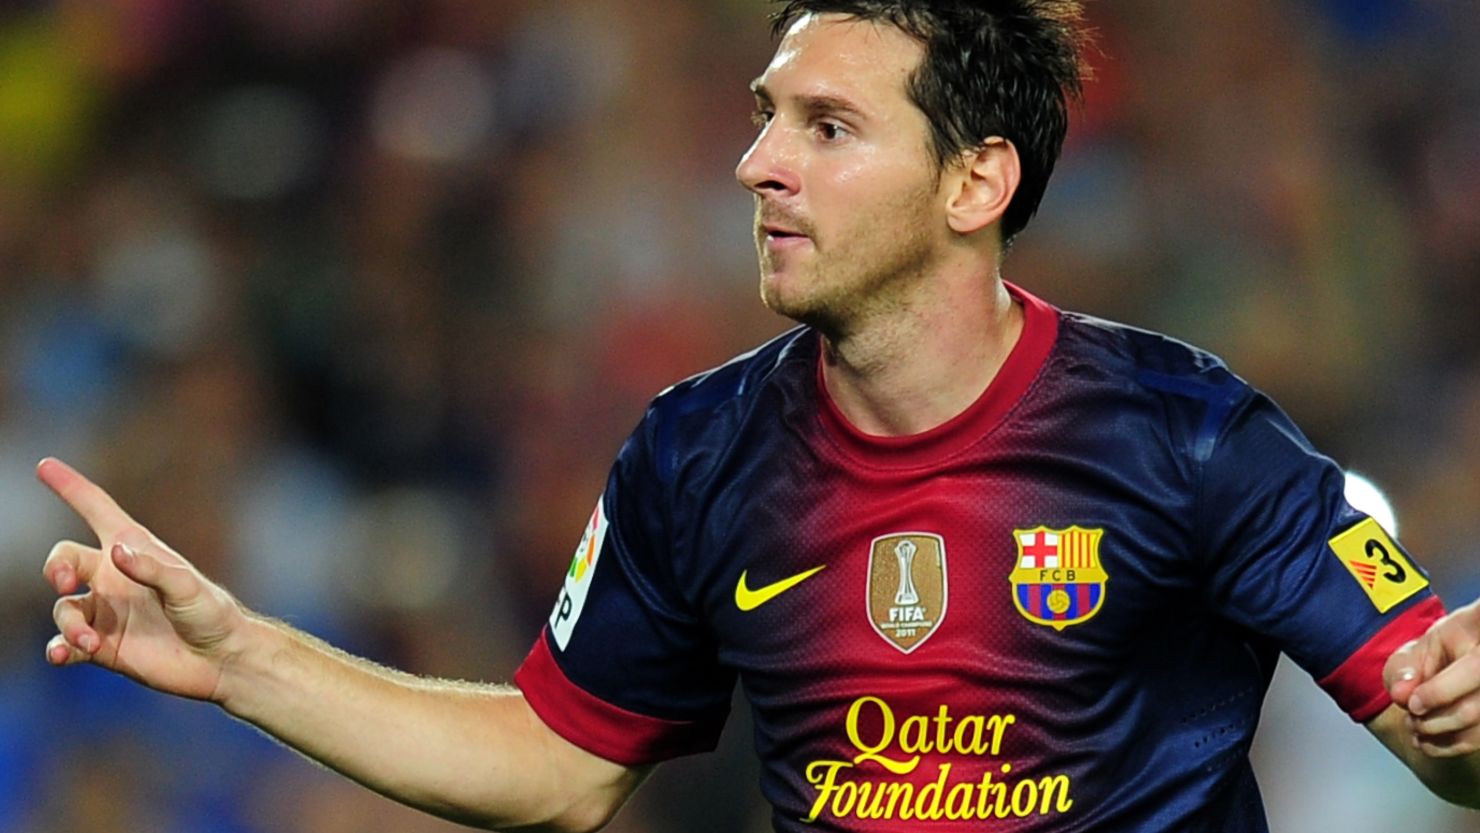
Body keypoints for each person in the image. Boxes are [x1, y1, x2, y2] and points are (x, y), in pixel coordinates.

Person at [37, 1, 1480, 831]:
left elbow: (1440, 733)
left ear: (976, 185)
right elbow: (561, 761)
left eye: (826, 129)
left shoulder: (1191, 433)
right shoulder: (695, 450)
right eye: (765, 113)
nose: (754, 163)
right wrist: (244, 658)